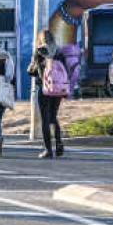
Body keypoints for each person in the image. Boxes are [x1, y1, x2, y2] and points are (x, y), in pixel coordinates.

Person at [28, 29, 78, 159]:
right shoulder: (59, 51)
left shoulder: (39, 51)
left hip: (45, 89)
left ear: (41, 39)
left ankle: (48, 149)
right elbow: (65, 70)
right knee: (53, 117)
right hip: (58, 89)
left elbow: (33, 71)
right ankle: (59, 143)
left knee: (45, 119)